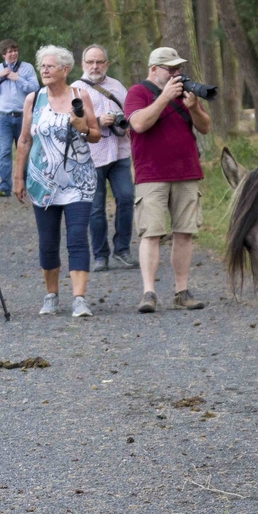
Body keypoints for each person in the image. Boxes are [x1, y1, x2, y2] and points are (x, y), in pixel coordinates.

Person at [13, 45, 101, 318]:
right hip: (43, 182)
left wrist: (83, 128)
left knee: (77, 237)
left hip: (79, 181)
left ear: (65, 70)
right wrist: (18, 177)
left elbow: (96, 134)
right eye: (42, 66)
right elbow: (25, 139)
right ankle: (51, 295)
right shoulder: (33, 99)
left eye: (51, 66)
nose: (45, 70)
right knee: (48, 241)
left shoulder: (80, 95)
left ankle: (79, 299)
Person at [124, 47, 210, 313]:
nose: (176, 74)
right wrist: (164, 98)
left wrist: (194, 107)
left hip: (187, 171)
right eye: (170, 69)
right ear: (154, 70)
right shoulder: (138, 92)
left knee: (184, 233)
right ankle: (148, 292)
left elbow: (205, 127)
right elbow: (138, 123)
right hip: (152, 174)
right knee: (151, 233)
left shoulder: (185, 92)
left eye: (178, 69)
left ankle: (181, 291)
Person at [73, 44, 136, 272]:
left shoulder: (118, 87)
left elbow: (131, 115)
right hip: (91, 157)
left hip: (119, 153)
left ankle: (123, 250)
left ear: (107, 64)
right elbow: (70, 126)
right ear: (83, 64)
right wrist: (98, 121)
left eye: (99, 62)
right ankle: (100, 255)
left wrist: (125, 123)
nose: (95, 66)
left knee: (127, 199)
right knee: (96, 209)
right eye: (90, 62)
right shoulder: (75, 90)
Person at [0, 39, 39, 197]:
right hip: (3, 118)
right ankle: (4, 187)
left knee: (26, 151)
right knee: (4, 152)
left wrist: (18, 79)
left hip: (24, 116)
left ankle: (27, 185)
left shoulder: (27, 68)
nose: (13, 53)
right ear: (3, 54)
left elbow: (35, 89)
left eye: (15, 50)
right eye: (9, 51)